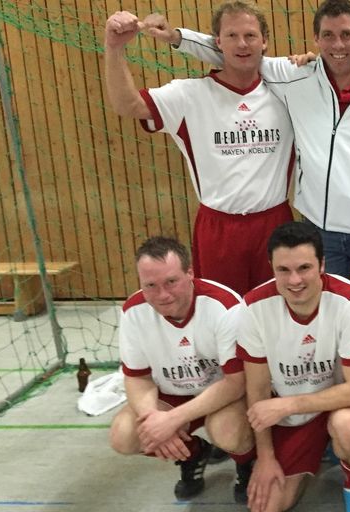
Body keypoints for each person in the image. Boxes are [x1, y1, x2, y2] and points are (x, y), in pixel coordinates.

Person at [147, 0, 350, 317]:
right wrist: (177, 37)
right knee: (324, 318)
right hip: (320, 229)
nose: (338, 45)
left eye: (346, 35)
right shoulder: (294, 76)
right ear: (316, 39)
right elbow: (236, 51)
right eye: (328, 35)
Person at [104, 4, 295, 295]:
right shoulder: (189, 94)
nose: (242, 44)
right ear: (217, 42)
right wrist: (114, 47)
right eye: (231, 35)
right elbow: (127, 104)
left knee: (279, 311)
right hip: (218, 229)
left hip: (275, 225)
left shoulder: (289, 92)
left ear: (264, 41)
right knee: (221, 311)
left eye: (250, 35)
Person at [236, 222, 350, 512]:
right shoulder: (253, 308)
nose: (295, 280)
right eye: (283, 270)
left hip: (340, 404)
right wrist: (265, 457)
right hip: (296, 418)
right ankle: (313, 457)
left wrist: (288, 405)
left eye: (304, 268)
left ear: (322, 265)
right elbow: (257, 389)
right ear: (271, 268)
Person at [109, 236, 254, 503]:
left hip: (222, 394)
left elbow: (236, 382)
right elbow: (138, 377)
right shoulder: (133, 311)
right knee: (124, 436)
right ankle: (193, 453)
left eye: (171, 282)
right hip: (171, 394)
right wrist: (153, 420)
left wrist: (171, 421)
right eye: (150, 285)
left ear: (190, 273)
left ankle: (247, 463)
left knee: (227, 431)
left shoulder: (223, 306)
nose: (162, 295)